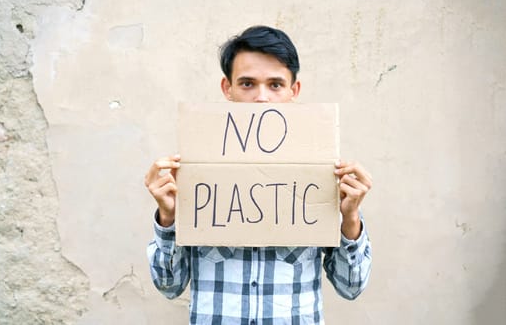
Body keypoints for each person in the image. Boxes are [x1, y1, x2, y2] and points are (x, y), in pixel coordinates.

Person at [145, 25, 372, 324]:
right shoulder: (195, 173)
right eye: (248, 84)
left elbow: (350, 287)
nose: (262, 98)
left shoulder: (322, 173)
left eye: (276, 85)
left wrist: (351, 219)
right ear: (228, 88)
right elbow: (169, 286)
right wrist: (168, 217)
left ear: (294, 91)